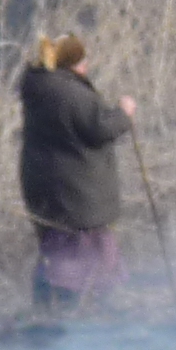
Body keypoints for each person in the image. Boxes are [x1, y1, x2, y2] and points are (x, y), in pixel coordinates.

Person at [16, 34, 134, 315]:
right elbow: (99, 130)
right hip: (77, 189)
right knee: (84, 246)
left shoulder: (39, 88)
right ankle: (84, 307)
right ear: (72, 62)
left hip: (46, 184)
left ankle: (52, 305)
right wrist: (124, 114)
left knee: (59, 245)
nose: (87, 65)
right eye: (82, 59)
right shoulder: (72, 94)